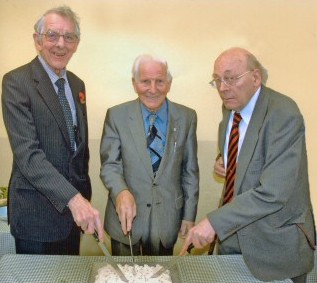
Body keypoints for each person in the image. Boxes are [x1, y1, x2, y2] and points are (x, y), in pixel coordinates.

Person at [180, 47, 316, 283]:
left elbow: (274, 193)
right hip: (232, 238)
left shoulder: (283, 114)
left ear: (255, 77)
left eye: (231, 78)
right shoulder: (231, 106)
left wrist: (213, 222)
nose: (223, 88)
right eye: (217, 80)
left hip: (275, 247)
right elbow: (242, 149)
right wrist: (223, 160)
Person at [1, 6, 104, 255]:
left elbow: (77, 149)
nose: (61, 44)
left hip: (72, 218)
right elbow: (28, 155)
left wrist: (82, 198)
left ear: (77, 43)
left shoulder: (77, 84)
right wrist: (73, 198)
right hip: (36, 217)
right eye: (52, 35)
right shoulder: (16, 82)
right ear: (37, 40)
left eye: (69, 37)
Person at [100, 54, 199, 256]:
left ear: (169, 83)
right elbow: (110, 165)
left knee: (161, 276)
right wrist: (121, 192)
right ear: (135, 83)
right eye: (145, 81)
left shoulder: (187, 117)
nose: (153, 89)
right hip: (125, 220)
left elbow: (190, 171)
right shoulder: (116, 116)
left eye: (160, 81)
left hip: (167, 220)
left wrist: (189, 215)